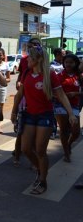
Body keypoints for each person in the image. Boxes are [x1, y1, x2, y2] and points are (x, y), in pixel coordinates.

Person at [11, 45, 76, 195]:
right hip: (28, 115)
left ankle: (42, 180)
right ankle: (41, 171)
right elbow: (19, 94)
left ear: (38, 59)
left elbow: (61, 95)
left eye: (30, 58)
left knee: (40, 150)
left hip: (45, 116)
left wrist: (71, 113)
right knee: (26, 148)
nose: (26, 60)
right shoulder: (26, 72)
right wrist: (14, 111)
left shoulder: (50, 74)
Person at [54, 54, 81, 162]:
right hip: (60, 105)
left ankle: (69, 144)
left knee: (76, 132)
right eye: (66, 62)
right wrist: (62, 96)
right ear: (63, 63)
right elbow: (53, 92)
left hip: (74, 105)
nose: (68, 64)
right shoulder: (58, 76)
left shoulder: (79, 76)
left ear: (75, 63)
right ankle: (66, 153)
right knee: (64, 130)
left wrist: (76, 93)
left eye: (71, 62)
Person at [0, 48, 11, 133]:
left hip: (2, 88)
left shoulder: (6, 65)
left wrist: (3, 80)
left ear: (3, 56)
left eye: (0, 55)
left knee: (0, 107)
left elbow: (9, 79)